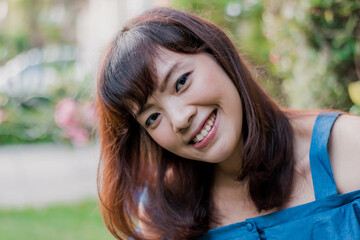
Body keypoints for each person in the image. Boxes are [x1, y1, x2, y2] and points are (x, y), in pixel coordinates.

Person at [96, 7, 360, 240]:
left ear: (218, 54)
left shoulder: (348, 148)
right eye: (152, 117)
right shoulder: (163, 210)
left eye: (181, 82)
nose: (179, 119)